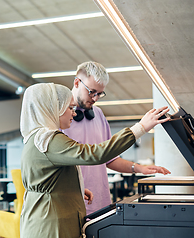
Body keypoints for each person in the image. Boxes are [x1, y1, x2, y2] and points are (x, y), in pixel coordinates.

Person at [19, 82, 169, 238]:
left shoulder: (36, 138)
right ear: (52, 109)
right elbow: (94, 154)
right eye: (70, 108)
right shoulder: (49, 140)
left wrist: (73, 188)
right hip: (50, 224)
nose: (74, 113)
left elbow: (45, 178)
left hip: (47, 219)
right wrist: (140, 128)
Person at [62, 61, 171, 215]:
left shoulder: (98, 114)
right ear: (76, 82)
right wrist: (139, 128)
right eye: (92, 91)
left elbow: (109, 158)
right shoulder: (61, 118)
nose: (95, 98)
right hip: (75, 203)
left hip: (101, 201)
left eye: (99, 93)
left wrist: (139, 168)